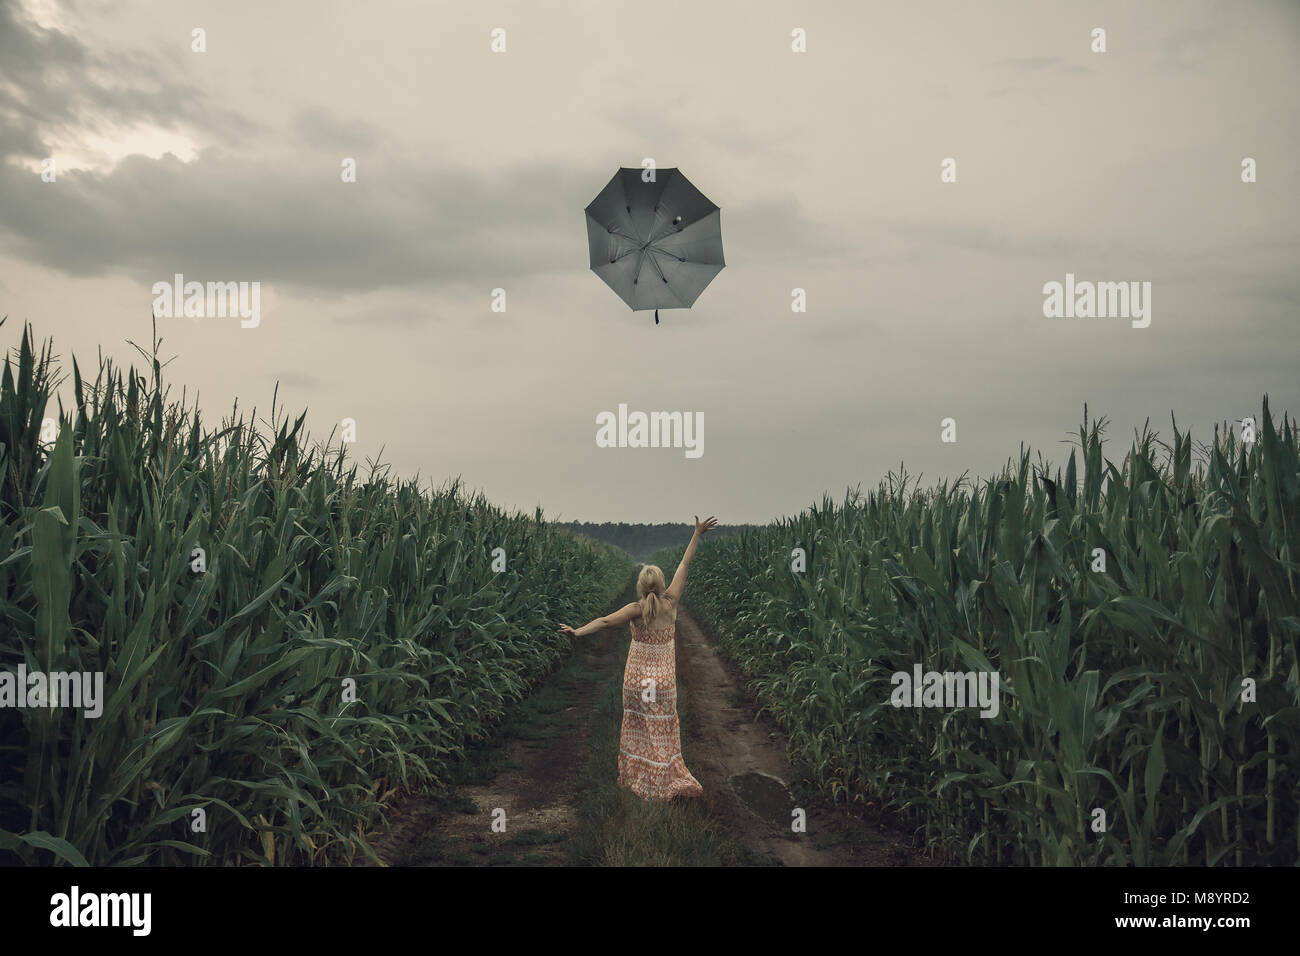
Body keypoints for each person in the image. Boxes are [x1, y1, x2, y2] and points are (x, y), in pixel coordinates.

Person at [558, 515, 718, 800]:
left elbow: (605, 622)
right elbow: (684, 564)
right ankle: (663, 781)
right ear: (661, 584)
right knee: (662, 730)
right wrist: (696, 534)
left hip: (636, 681)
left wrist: (577, 632)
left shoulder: (635, 609)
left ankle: (640, 779)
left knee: (639, 729)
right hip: (662, 683)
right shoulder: (671, 603)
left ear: (641, 586)